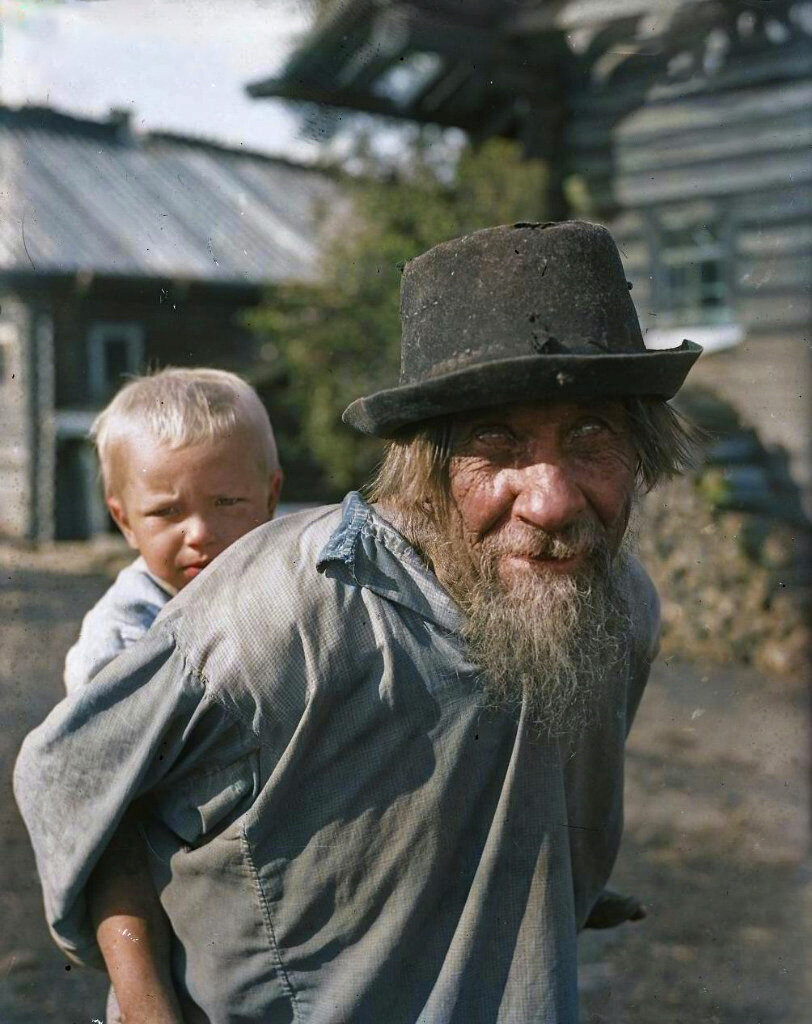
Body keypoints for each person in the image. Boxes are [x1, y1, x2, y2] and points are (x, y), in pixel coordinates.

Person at [16, 221, 701, 1024]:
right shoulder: (282, 609)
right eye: (494, 440)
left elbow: (563, 809)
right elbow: (75, 779)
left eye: (593, 435)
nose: (550, 500)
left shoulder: (617, 606)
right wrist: (144, 1004)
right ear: (426, 465)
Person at [60, 367, 283, 1023]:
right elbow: (104, 812)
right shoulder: (121, 637)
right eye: (166, 511)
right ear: (123, 519)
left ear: (271, 497)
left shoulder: (285, 587)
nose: (199, 533)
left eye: (227, 504)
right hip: (165, 893)